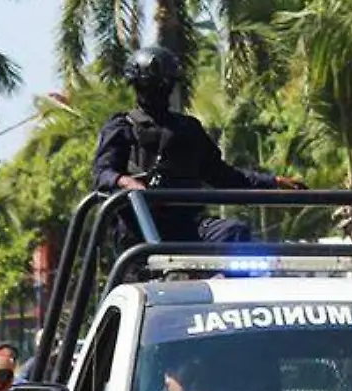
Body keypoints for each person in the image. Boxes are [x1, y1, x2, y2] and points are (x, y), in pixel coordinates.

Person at [92, 45, 303, 245]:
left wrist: (273, 183)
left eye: (163, 85)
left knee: (235, 234)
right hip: (140, 233)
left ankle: (220, 280)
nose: (157, 92)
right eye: (148, 86)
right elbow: (102, 173)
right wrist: (125, 182)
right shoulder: (121, 127)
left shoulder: (188, 129)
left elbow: (224, 176)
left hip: (188, 228)